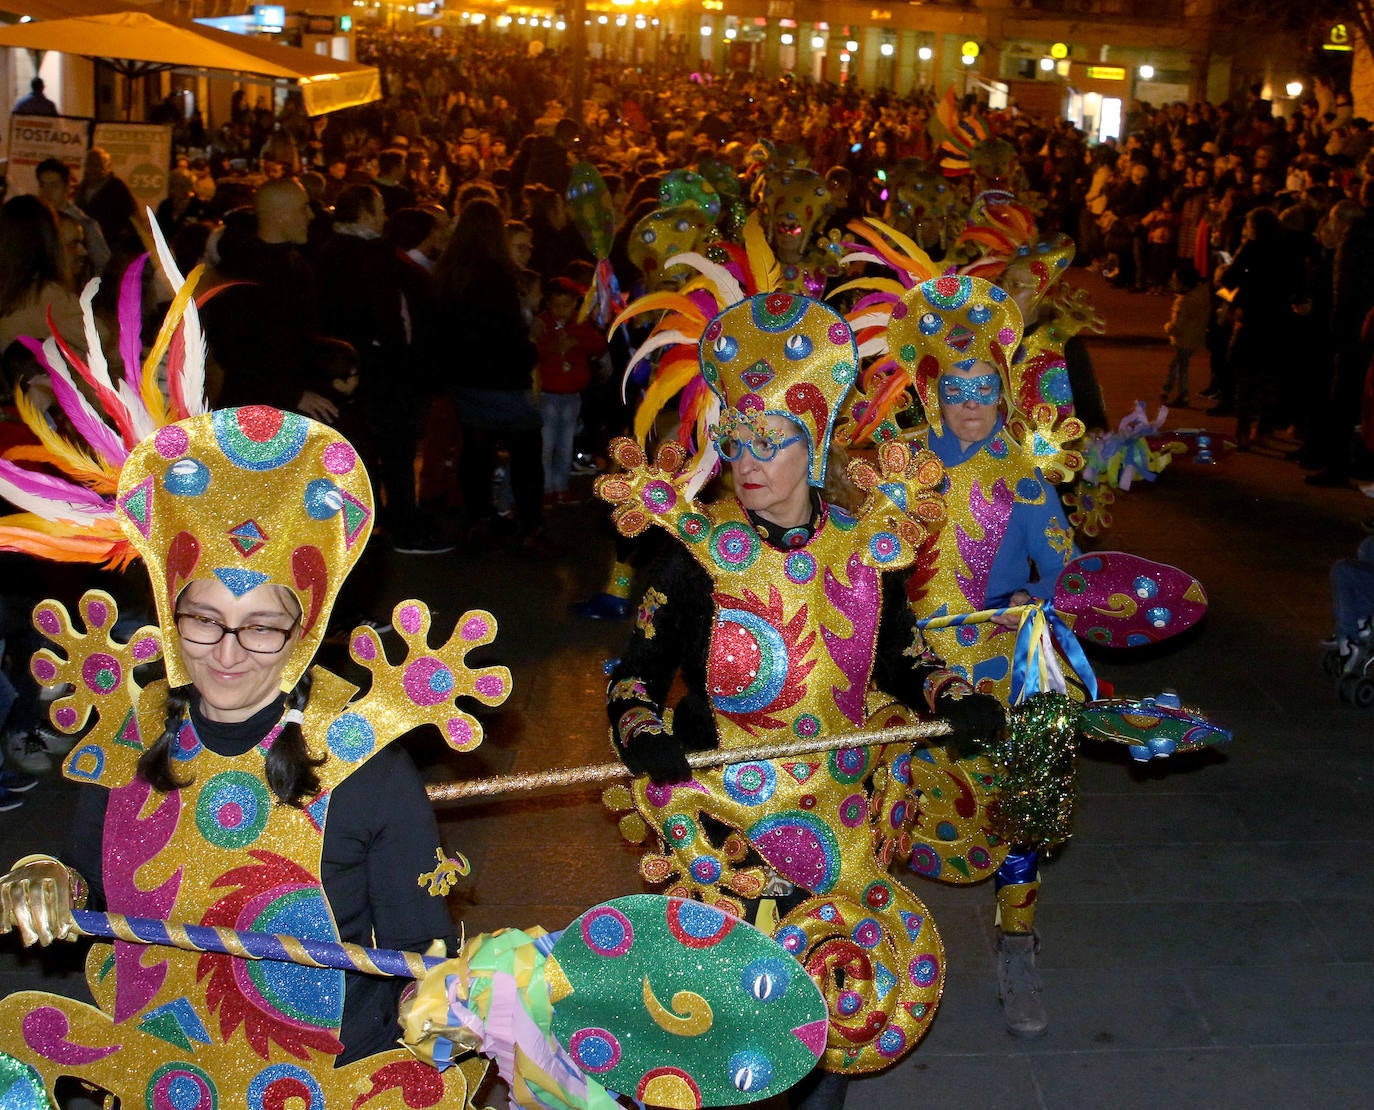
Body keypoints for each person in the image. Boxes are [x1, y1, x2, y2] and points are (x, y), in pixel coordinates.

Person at [0, 379, 501, 1098]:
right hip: (155, 1072)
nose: (228, 652)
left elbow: (419, 956)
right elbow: (91, 886)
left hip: (319, 1083)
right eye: (203, 619)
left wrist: (447, 1006)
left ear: (303, 630)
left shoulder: (365, 768)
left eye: (262, 625)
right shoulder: (132, 732)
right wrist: (45, 875)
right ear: (172, 621)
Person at [597, 253, 1005, 1096]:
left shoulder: (861, 549)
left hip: (842, 814)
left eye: (770, 443)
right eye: (737, 442)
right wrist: (642, 736)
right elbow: (635, 675)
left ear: (812, 445)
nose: (748, 463)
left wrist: (952, 695)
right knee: (740, 1027)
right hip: (731, 817)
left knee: (826, 1023)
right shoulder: (692, 558)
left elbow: (903, 654)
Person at [434, 198, 544, 548]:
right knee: (526, 451)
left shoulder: (449, 273)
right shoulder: (501, 277)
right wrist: (529, 354)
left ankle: (476, 518)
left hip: (464, 376)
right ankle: (529, 526)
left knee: (476, 449)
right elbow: (510, 332)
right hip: (504, 377)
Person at [534, 277, 606, 504]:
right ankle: (545, 489)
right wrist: (550, 348)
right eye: (556, 305)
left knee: (565, 445)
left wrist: (576, 342)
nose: (561, 311)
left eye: (566, 305)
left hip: (572, 396)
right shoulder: (541, 324)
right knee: (545, 445)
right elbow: (531, 349)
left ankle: (561, 487)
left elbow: (599, 345)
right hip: (547, 394)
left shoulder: (580, 323)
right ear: (547, 303)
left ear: (575, 304)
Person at [35, 157, 111, 278]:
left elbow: (103, 264)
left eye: (54, 186)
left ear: (67, 188)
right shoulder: (35, 221)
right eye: (43, 186)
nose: (47, 192)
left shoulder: (85, 225)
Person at [1162, 259, 1210, 407]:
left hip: (1184, 339)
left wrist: (1167, 327)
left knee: (1180, 368)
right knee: (1177, 366)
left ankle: (1181, 395)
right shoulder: (1200, 295)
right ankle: (1168, 391)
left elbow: (1177, 326)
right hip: (1193, 337)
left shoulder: (1184, 302)